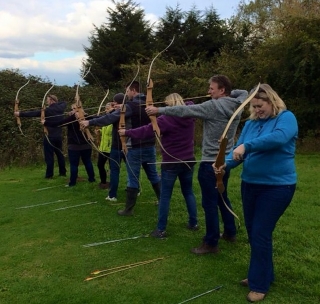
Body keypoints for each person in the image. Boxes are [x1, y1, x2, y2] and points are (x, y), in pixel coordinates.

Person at [214, 84, 298, 302]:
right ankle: (264, 274)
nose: (257, 110)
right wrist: (225, 165)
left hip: (277, 187)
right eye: (254, 106)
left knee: (260, 232)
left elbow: (278, 138)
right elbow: (238, 151)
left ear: (272, 102)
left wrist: (245, 148)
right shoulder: (251, 124)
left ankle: (259, 284)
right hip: (250, 184)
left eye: (260, 105)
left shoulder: (286, 118)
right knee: (254, 232)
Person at [146, 75, 248, 253]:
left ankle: (211, 242)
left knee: (209, 203)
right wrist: (230, 94)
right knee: (222, 197)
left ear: (222, 90)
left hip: (210, 163)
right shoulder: (238, 103)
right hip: (226, 161)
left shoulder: (212, 106)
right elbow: (245, 91)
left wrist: (159, 110)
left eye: (212, 88)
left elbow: (184, 111)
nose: (208, 91)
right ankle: (230, 232)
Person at [119, 93, 198, 238]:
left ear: (169, 104)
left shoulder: (166, 118)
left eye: (167, 104)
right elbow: (191, 102)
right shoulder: (190, 114)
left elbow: (147, 130)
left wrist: (126, 132)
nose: (166, 106)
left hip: (171, 163)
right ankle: (194, 223)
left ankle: (161, 229)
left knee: (165, 196)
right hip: (189, 160)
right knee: (188, 191)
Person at [80, 81, 161, 215]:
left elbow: (111, 118)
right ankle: (162, 200)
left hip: (134, 147)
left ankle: (128, 210)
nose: (126, 94)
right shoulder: (149, 104)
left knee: (133, 177)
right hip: (149, 146)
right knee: (153, 174)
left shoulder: (130, 106)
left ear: (133, 90)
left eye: (127, 91)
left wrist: (89, 122)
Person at [14, 94, 67, 178]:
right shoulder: (61, 108)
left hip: (49, 136)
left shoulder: (47, 110)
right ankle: (62, 173)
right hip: (58, 136)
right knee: (60, 154)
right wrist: (54, 103)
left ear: (51, 100)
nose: (46, 101)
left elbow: (34, 113)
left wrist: (19, 114)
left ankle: (49, 175)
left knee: (49, 157)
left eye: (48, 100)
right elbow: (64, 102)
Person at [43, 104, 95, 187]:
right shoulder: (87, 116)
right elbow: (95, 119)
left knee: (74, 165)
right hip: (86, 144)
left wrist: (46, 122)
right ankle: (92, 179)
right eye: (72, 109)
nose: (72, 110)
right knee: (87, 162)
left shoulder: (72, 118)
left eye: (74, 109)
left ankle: (72, 182)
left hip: (74, 146)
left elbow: (59, 123)